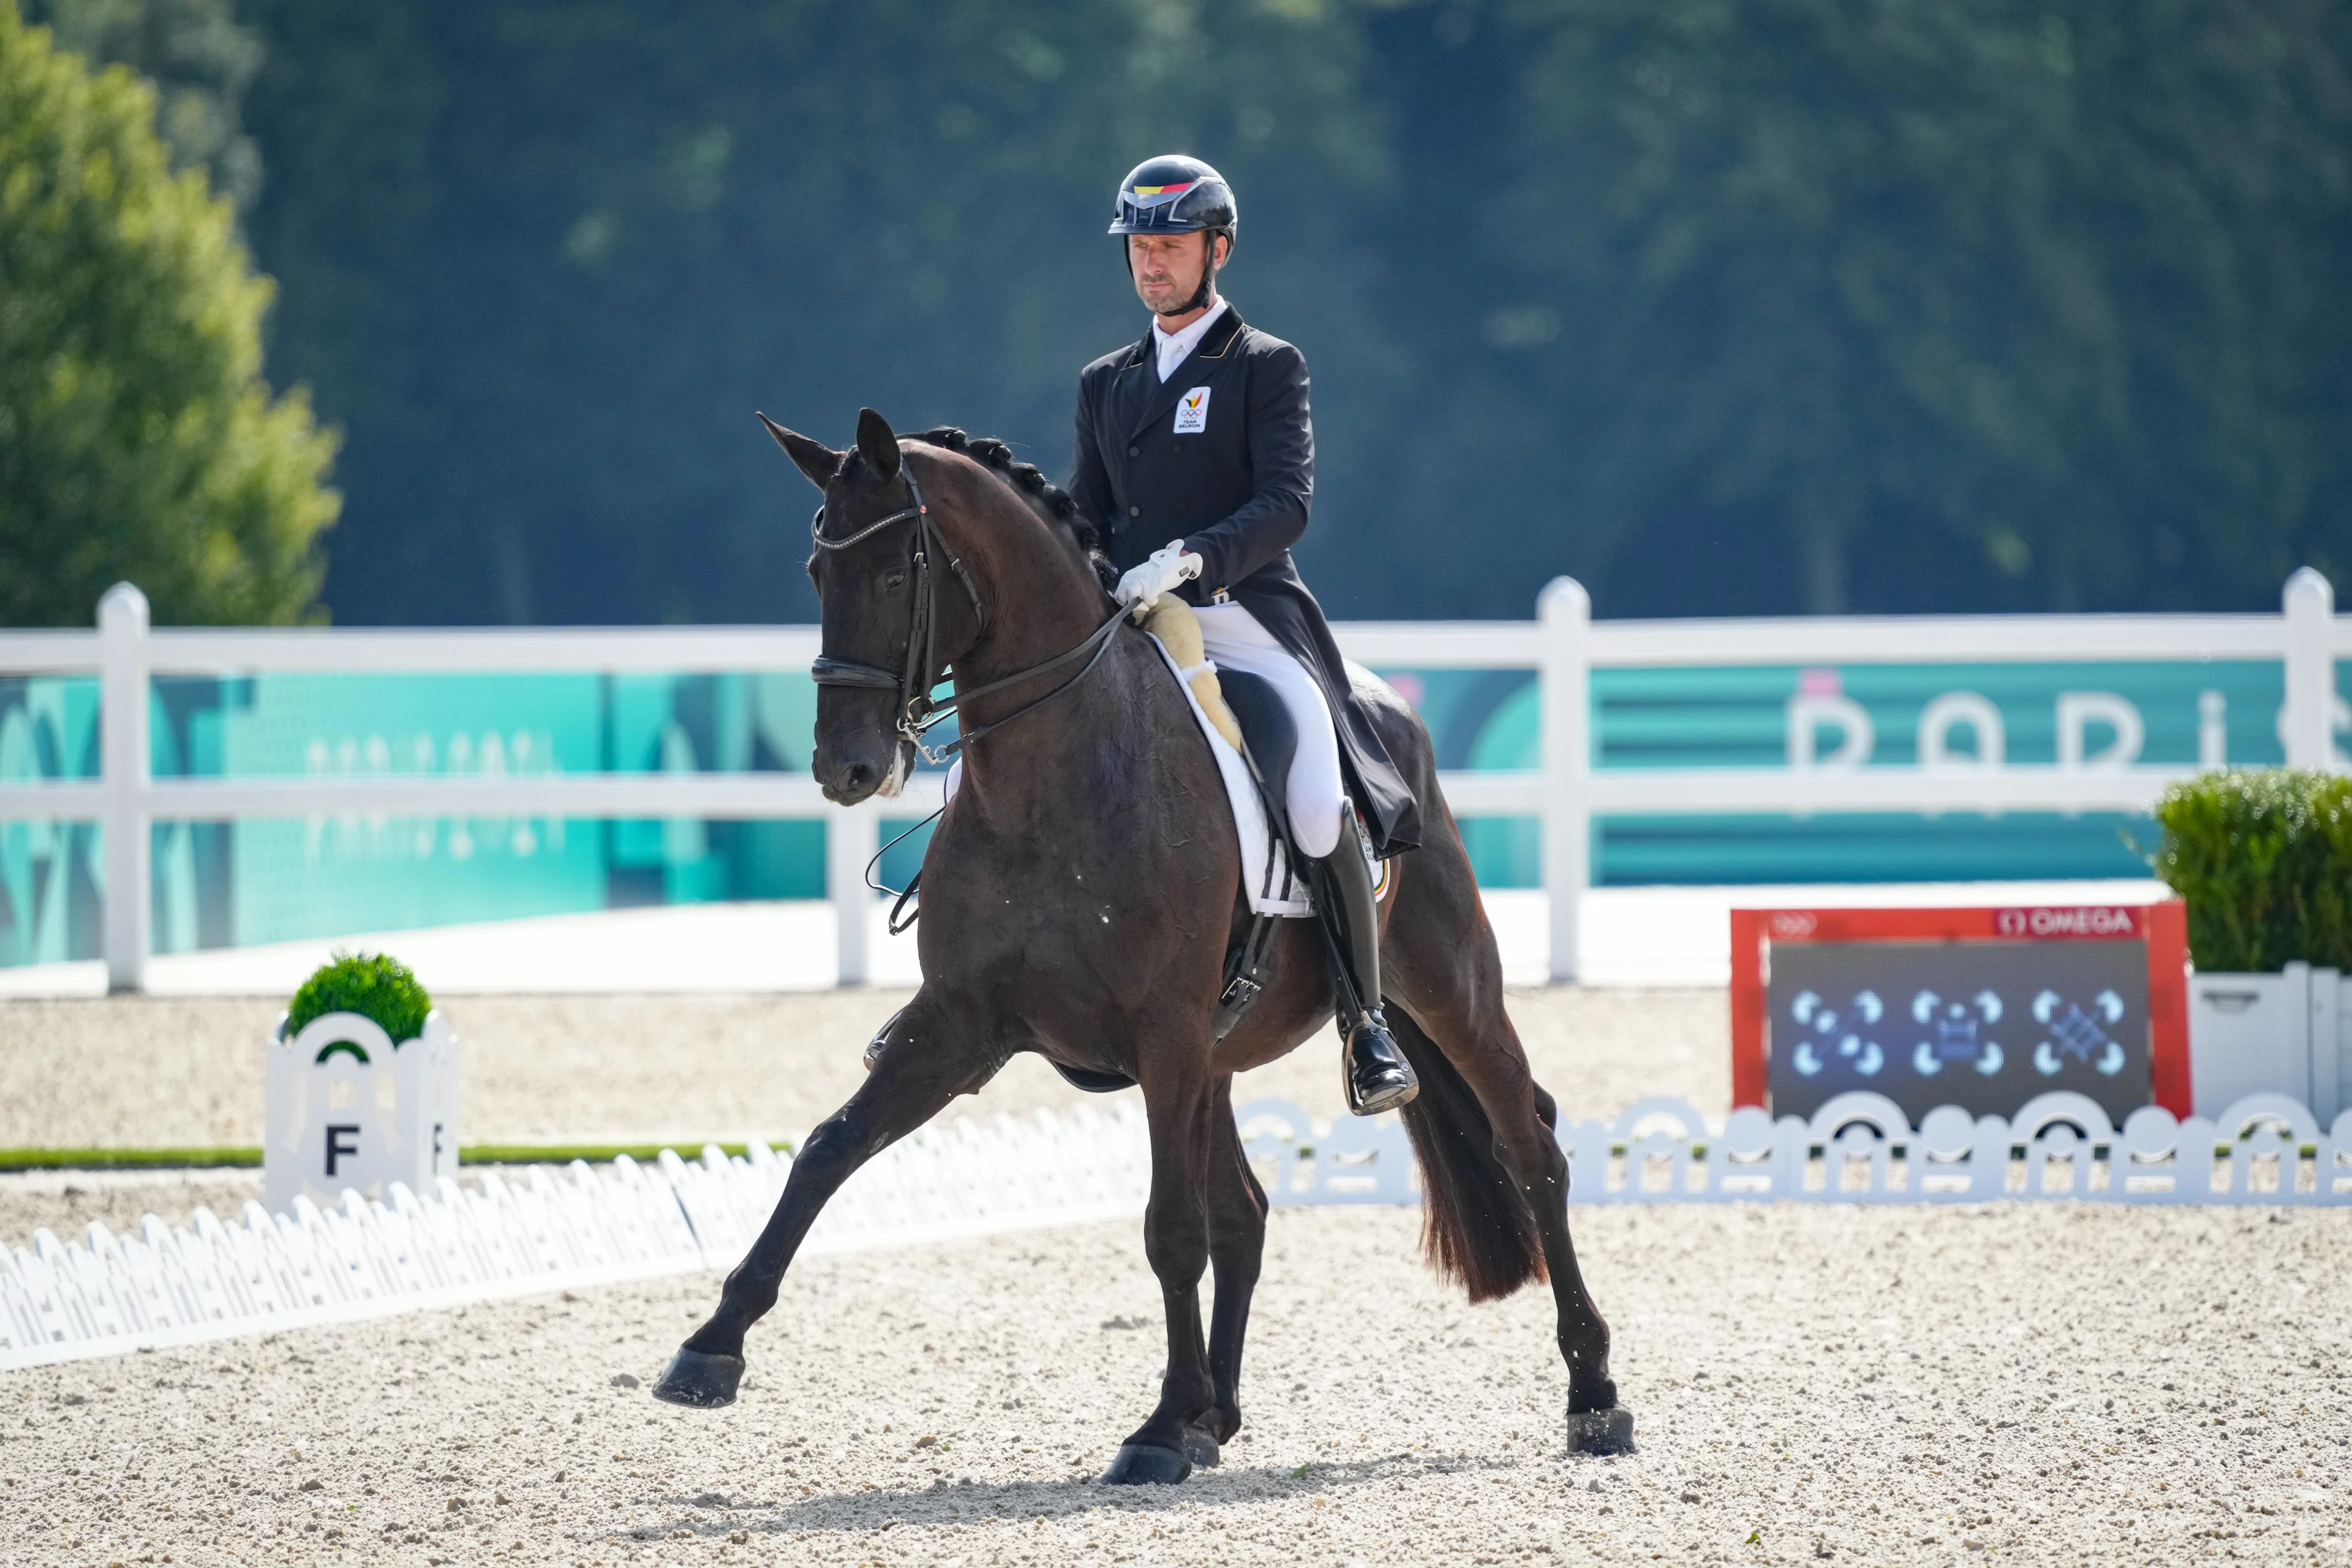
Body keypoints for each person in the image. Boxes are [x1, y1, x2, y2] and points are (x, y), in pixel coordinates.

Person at [1069, 154, 1423, 1117]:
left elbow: (1287, 502)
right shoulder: (1108, 381)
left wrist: (1190, 559)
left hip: (1241, 619)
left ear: (1217, 249)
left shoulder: (1266, 365)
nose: (1153, 263)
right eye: (1141, 247)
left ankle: (1367, 1024)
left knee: (1312, 798)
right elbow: (1087, 514)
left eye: (1172, 246)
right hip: (1136, 625)